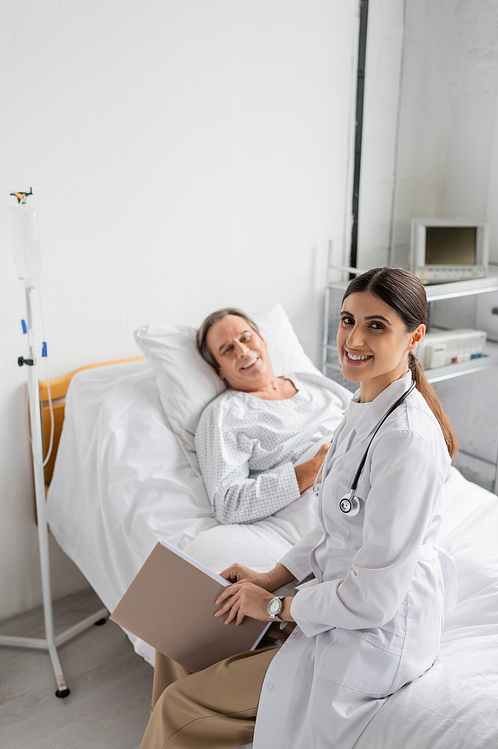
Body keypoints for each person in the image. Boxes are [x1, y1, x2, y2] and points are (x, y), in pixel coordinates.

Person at [140, 267, 458, 749]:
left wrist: (273, 606)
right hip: (334, 597)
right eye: (348, 320)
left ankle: (177, 725)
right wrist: (270, 578)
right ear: (218, 370)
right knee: (180, 630)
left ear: (414, 337)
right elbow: (334, 525)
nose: (353, 338)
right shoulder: (360, 404)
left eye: (376, 326)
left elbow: (372, 599)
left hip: (370, 638)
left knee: (177, 707)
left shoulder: (401, 436)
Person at [194, 307, 351, 524]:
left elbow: (370, 413)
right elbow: (228, 504)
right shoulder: (225, 414)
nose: (242, 351)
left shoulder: (310, 381)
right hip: (331, 492)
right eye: (227, 349)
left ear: (262, 340)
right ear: (219, 370)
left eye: (245, 338)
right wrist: (313, 468)